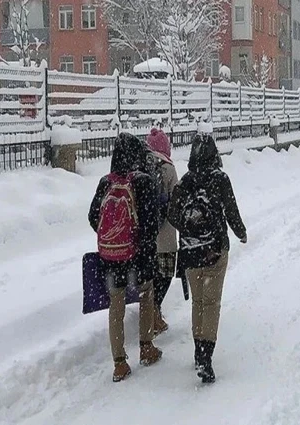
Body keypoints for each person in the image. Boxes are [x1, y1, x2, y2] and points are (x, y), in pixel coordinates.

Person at [168, 134, 247, 384]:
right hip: (214, 249)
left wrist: (188, 228)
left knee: (198, 303)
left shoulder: (185, 182)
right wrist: (240, 232)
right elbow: (231, 210)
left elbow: (171, 213)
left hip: (191, 251)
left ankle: (197, 350)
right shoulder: (220, 179)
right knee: (212, 304)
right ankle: (205, 357)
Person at [88, 132, 162, 383]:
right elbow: (153, 221)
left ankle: (119, 363)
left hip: (111, 256)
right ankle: (146, 347)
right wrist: (140, 241)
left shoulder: (105, 182)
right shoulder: (142, 180)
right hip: (139, 254)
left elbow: (92, 218)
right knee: (145, 296)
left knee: (116, 306)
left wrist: (113, 236)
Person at [144, 128, 179, 336]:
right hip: (165, 234)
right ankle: (154, 312)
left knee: (150, 276)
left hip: (146, 235)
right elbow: (177, 197)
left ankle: (149, 312)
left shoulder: (140, 166)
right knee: (164, 275)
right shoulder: (168, 167)